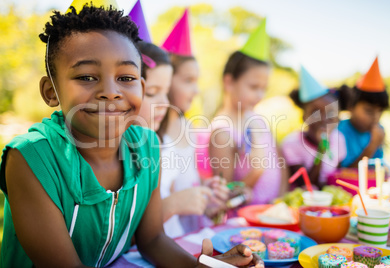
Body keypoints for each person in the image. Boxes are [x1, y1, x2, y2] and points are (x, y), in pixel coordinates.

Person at [0, 5, 263, 267]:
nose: (111, 92)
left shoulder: (148, 147)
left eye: (126, 77)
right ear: (51, 91)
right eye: (87, 76)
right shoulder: (31, 158)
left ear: (141, 86)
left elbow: (153, 240)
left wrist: (202, 266)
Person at [156, 8, 229, 237]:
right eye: (188, 80)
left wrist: (206, 196)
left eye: (197, 81)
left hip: (184, 237)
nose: (196, 91)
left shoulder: (188, 128)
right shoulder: (145, 133)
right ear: (165, 80)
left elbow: (186, 193)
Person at [206, 19, 282, 205]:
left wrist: (281, 202)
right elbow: (225, 196)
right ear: (229, 82)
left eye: (264, 88)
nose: (260, 95)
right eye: (253, 86)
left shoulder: (258, 120)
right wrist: (257, 171)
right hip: (244, 225)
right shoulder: (222, 133)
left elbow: (281, 162)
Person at [282, 66, 348, 189]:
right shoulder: (291, 144)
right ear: (303, 116)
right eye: (315, 113)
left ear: (338, 119)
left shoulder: (339, 139)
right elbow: (308, 185)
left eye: (330, 113)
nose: (323, 119)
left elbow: (336, 178)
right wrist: (321, 150)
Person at [338, 57, 390, 168]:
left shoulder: (376, 131)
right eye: (369, 111)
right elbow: (343, 173)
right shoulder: (339, 133)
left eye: (380, 111)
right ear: (351, 106)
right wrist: (372, 146)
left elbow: (378, 168)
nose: (375, 117)